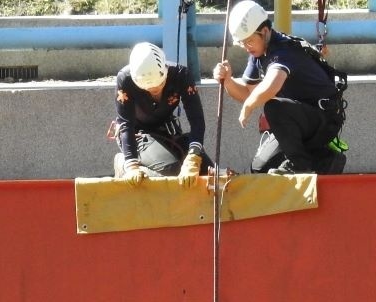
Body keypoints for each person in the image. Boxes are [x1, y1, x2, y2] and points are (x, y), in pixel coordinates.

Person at [211, 0, 347, 176]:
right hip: (301, 119)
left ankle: (300, 164)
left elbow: (271, 86)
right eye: (242, 43)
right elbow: (248, 92)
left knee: (273, 107)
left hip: (324, 118)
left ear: (265, 32)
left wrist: (249, 107)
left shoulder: (283, 50)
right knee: (260, 167)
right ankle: (324, 159)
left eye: (250, 41)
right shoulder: (258, 54)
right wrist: (227, 80)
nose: (246, 47)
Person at [112, 42, 212, 185]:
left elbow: (196, 118)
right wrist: (131, 165)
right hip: (137, 134)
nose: (154, 90)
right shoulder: (125, 79)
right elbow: (126, 124)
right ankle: (122, 163)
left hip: (167, 128)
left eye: (159, 83)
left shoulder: (181, 75)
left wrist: (193, 156)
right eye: (148, 88)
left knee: (206, 170)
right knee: (171, 169)